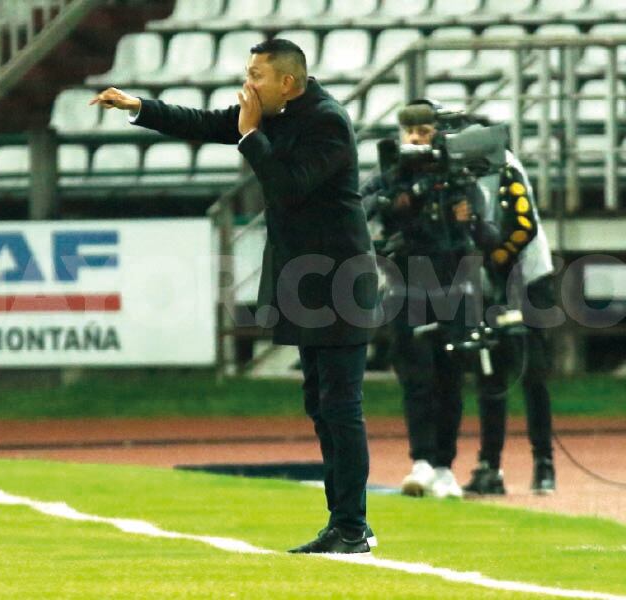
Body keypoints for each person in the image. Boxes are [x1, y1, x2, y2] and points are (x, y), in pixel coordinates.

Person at [92, 38, 378, 553]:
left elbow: (289, 187)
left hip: (339, 278)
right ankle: (345, 524)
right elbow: (203, 122)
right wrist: (137, 106)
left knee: (341, 405)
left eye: (256, 75)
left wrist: (250, 137)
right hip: (306, 278)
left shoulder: (326, 121)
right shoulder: (272, 110)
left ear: (287, 81)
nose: (248, 84)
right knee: (320, 403)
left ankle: (353, 526)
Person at [360, 99, 478, 500]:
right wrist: (390, 204)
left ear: (437, 134)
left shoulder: (455, 174)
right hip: (406, 286)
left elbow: (483, 223)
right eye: (409, 130)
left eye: (424, 130)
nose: (415, 138)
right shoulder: (389, 174)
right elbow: (360, 205)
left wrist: (468, 216)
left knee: (451, 379)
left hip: (453, 287)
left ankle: (445, 465)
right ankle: (422, 461)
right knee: (417, 380)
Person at [455, 150, 557, 495]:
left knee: (533, 372)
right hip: (488, 278)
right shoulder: (457, 170)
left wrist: (495, 259)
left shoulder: (503, 163)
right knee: (490, 371)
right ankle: (490, 465)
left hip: (529, 279)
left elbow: (522, 226)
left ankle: (544, 462)